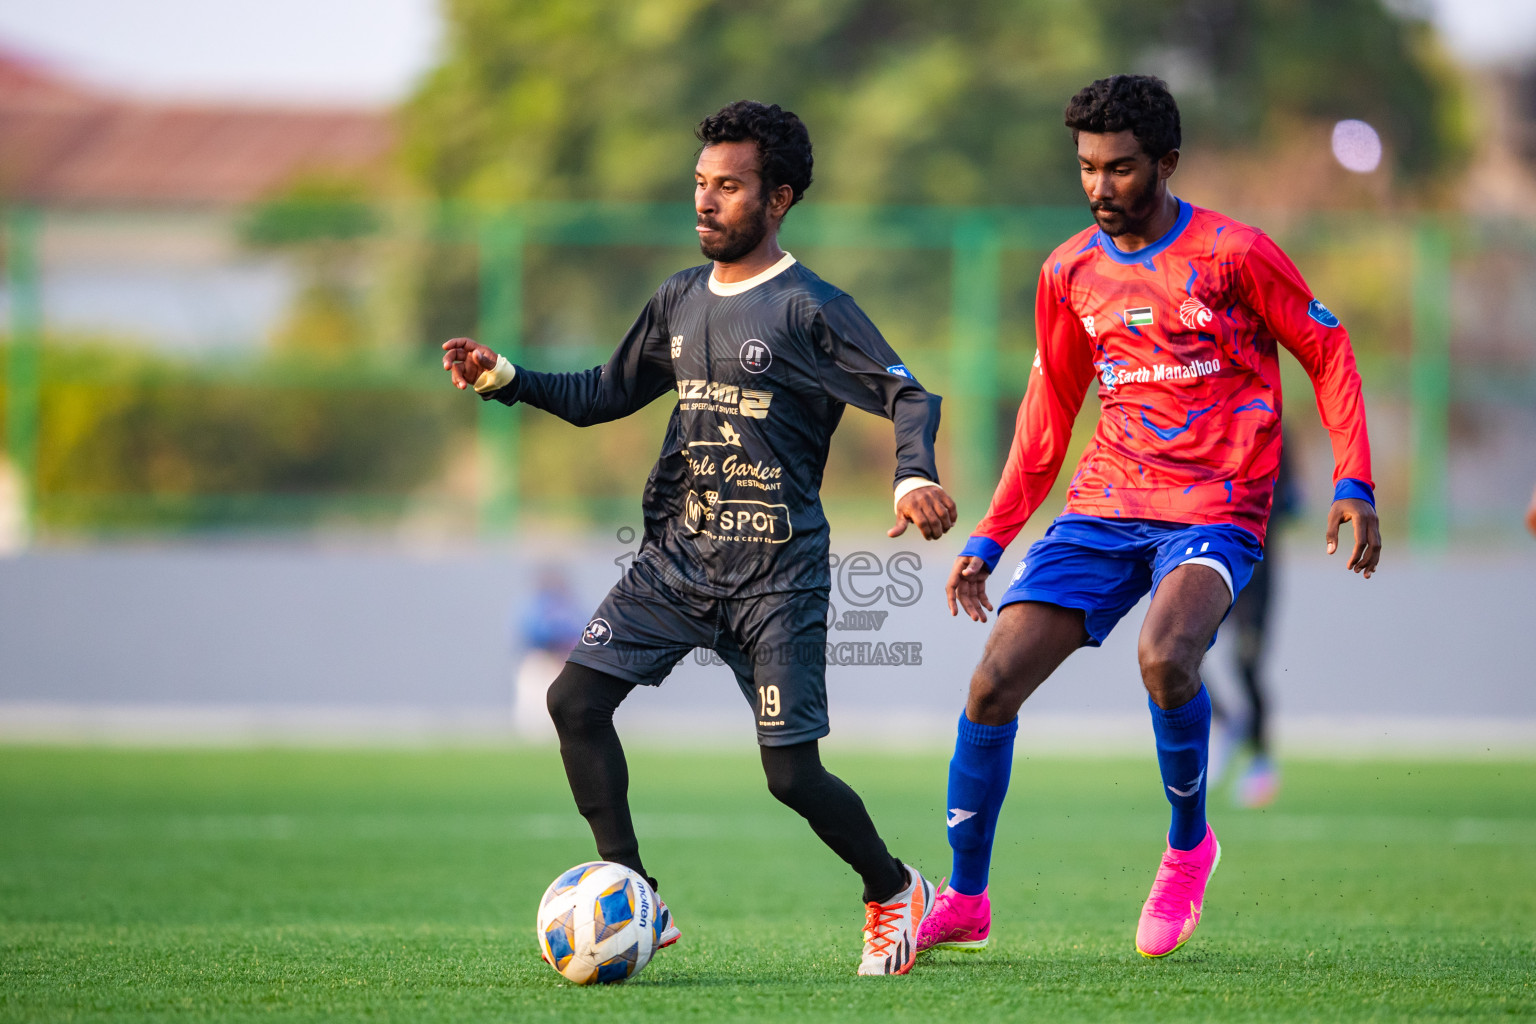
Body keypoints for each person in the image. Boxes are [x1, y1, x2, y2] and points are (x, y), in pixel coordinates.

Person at [442, 101, 959, 976]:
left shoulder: (810, 308)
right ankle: (637, 890)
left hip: (776, 578)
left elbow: (908, 393)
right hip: (677, 563)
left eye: (729, 187)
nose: (707, 202)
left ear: (779, 198)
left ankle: (894, 888)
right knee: (572, 703)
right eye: (700, 186)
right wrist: (509, 380)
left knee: (791, 777)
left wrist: (913, 472)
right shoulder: (679, 298)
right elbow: (605, 392)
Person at [915, 75, 1380, 961]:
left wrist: (1353, 479)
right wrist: (990, 537)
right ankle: (967, 899)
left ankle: (1187, 847)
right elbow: (1048, 413)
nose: (1099, 187)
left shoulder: (1235, 254)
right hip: (1104, 508)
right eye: (1087, 168)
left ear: (1166, 163)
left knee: (1166, 658)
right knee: (990, 686)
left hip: (1217, 506)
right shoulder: (1068, 271)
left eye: (1120, 169)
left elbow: (1328, 348)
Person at [1208, 435, 1300, 807]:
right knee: (1176, 653)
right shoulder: (1207, 424)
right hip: (1213, 566)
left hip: (1258, 574)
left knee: (1246, 664)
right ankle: (1224, 722)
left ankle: (1261, 760)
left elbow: (1294, 501)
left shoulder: (1275, 432)